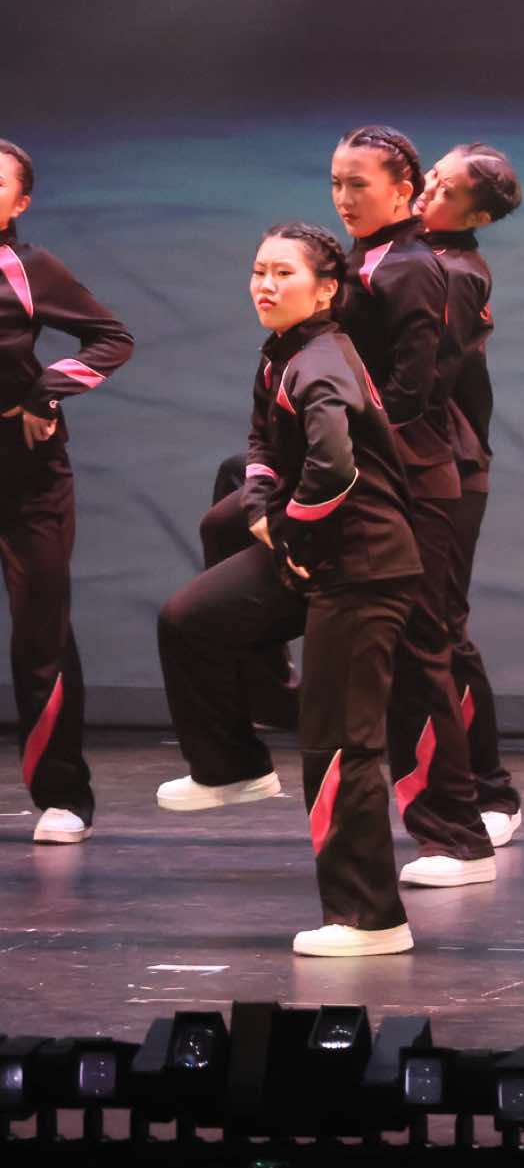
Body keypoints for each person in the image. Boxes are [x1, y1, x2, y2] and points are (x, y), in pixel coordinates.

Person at [157, 223, 418, 956]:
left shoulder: (321, 364)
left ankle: (371, 920)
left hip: (364, 569)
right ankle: (231, 766)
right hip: (315, 558)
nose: (265, 285)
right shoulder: (282, 353)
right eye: (258, 271)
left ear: (326, 290)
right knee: (189, 620)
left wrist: (292, 534)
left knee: (340, 744)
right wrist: (262, 512)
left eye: (283, 273)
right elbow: (262, 448)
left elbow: (335, 469)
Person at [330, 125, 496, 885]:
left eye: (357, 184)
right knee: (232, 510)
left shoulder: (425, 268)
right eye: (336, 182)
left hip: (419, 474)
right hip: (383, 468)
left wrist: (359, 451)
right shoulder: (367, 258)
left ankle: (460, 829)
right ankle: (238, 737)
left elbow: (417, 386)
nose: (343, 197)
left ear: (401, 191)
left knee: (428, 645)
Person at [0, 138, 135, 844]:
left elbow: (111, 338)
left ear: (19, 203)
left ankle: (63, 797)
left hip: (26, 471)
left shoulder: (30, 268)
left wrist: (47, 391)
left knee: (40, 630)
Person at [416, 143, 524, 846]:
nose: (428, 188)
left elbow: (422, 381)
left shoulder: (455, 273)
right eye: (432, 175)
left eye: (446, 189)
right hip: (409, 463)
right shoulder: (409, 252)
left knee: (443, 633)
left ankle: (492, 791)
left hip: (449, 468)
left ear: (476, 215)